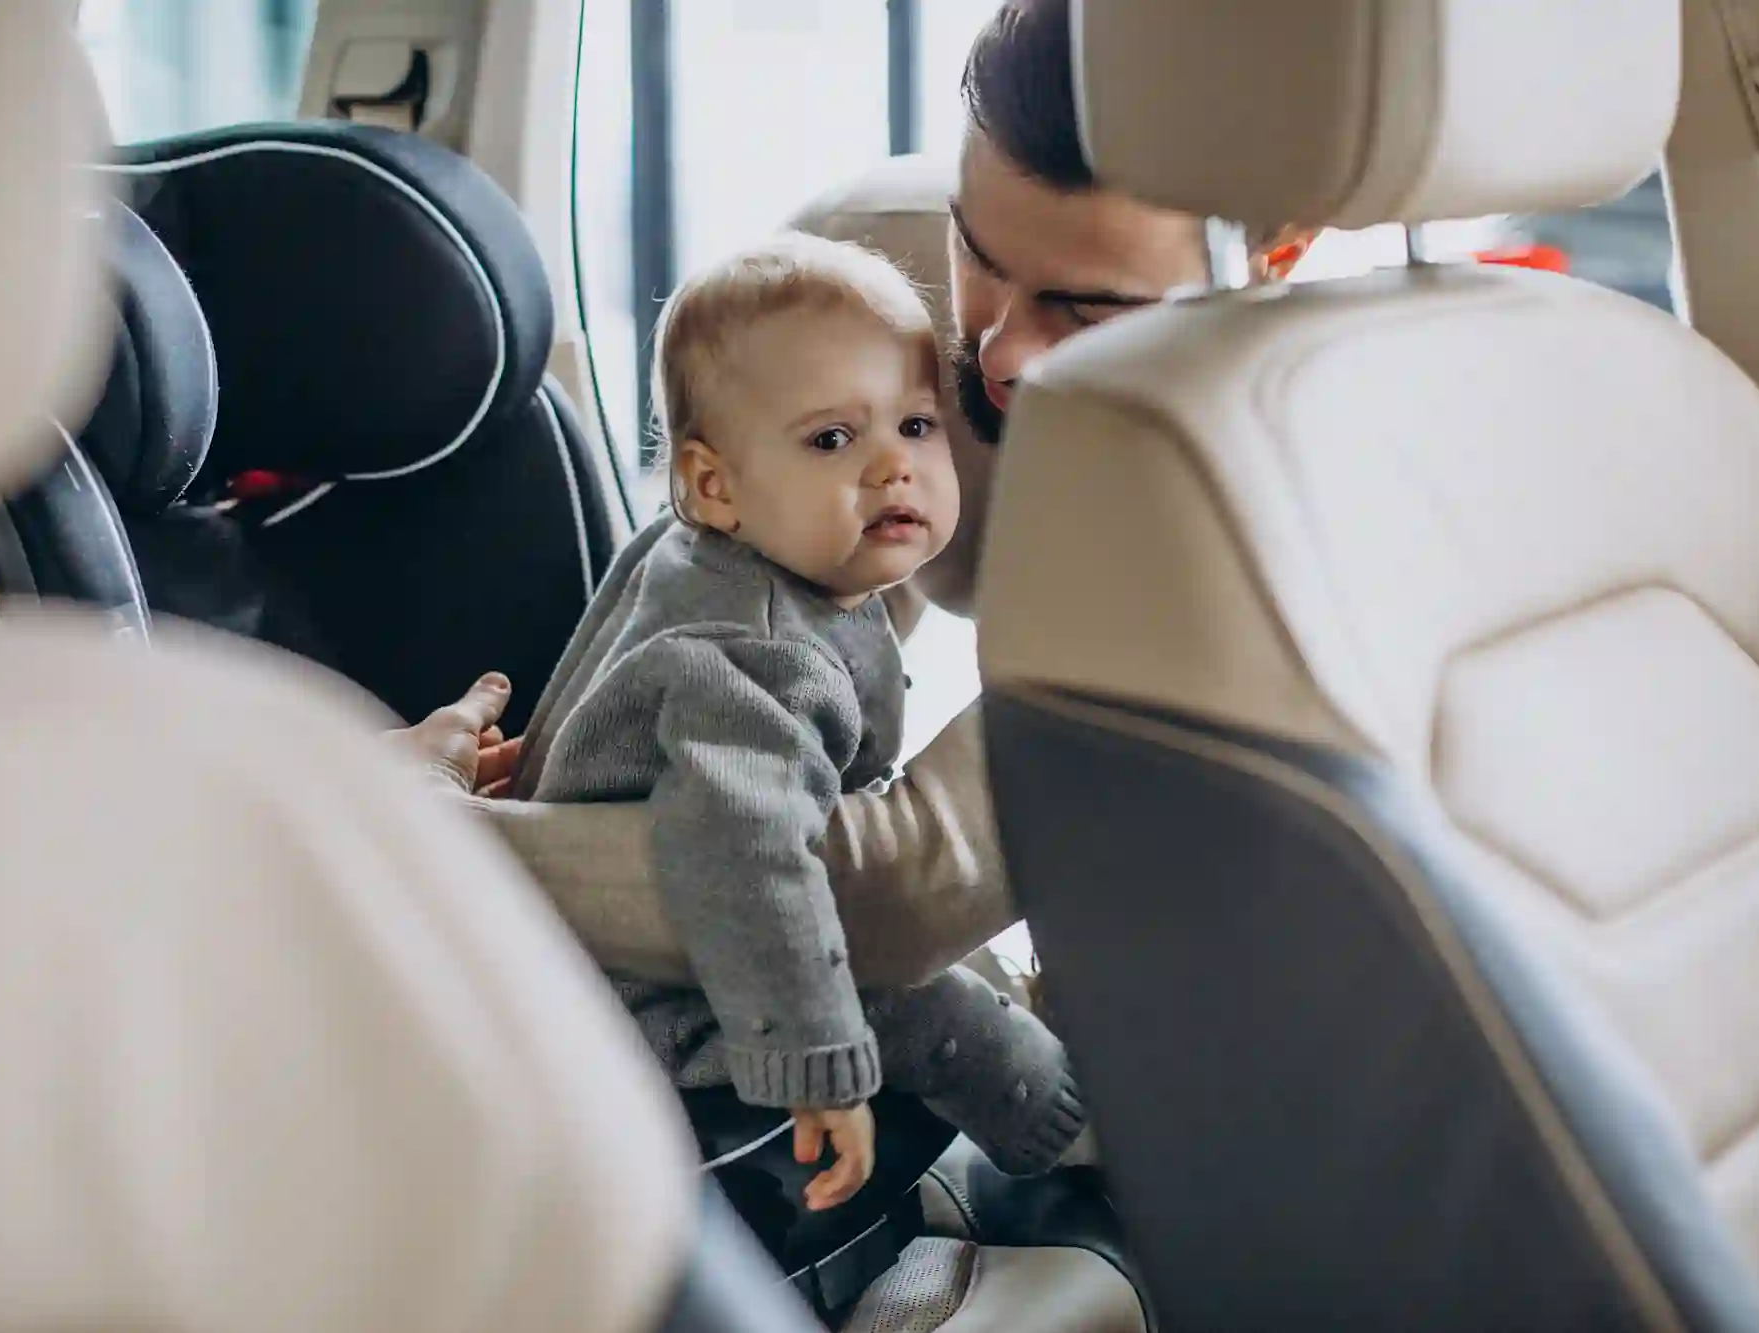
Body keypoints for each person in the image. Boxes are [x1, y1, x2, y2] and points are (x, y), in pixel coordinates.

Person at [399, 0, 1318, 993]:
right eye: (979, 254)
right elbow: (726, 659)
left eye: (1085, 308)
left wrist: (403, 830)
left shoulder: (1274, 487)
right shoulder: (864, 289)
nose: (999, 347)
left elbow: (886, 893)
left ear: (1276, 254)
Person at [521, 233, 1083, 1211]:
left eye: (914, 425)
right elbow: (746, 852)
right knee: (923, 999)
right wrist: (818, 1066)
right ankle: (1069, 1135)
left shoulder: (695, 551)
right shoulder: (755, 653)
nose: (891, 469)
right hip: (665, 995)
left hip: (652, 947)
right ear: (713, 486)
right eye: (832, 439)